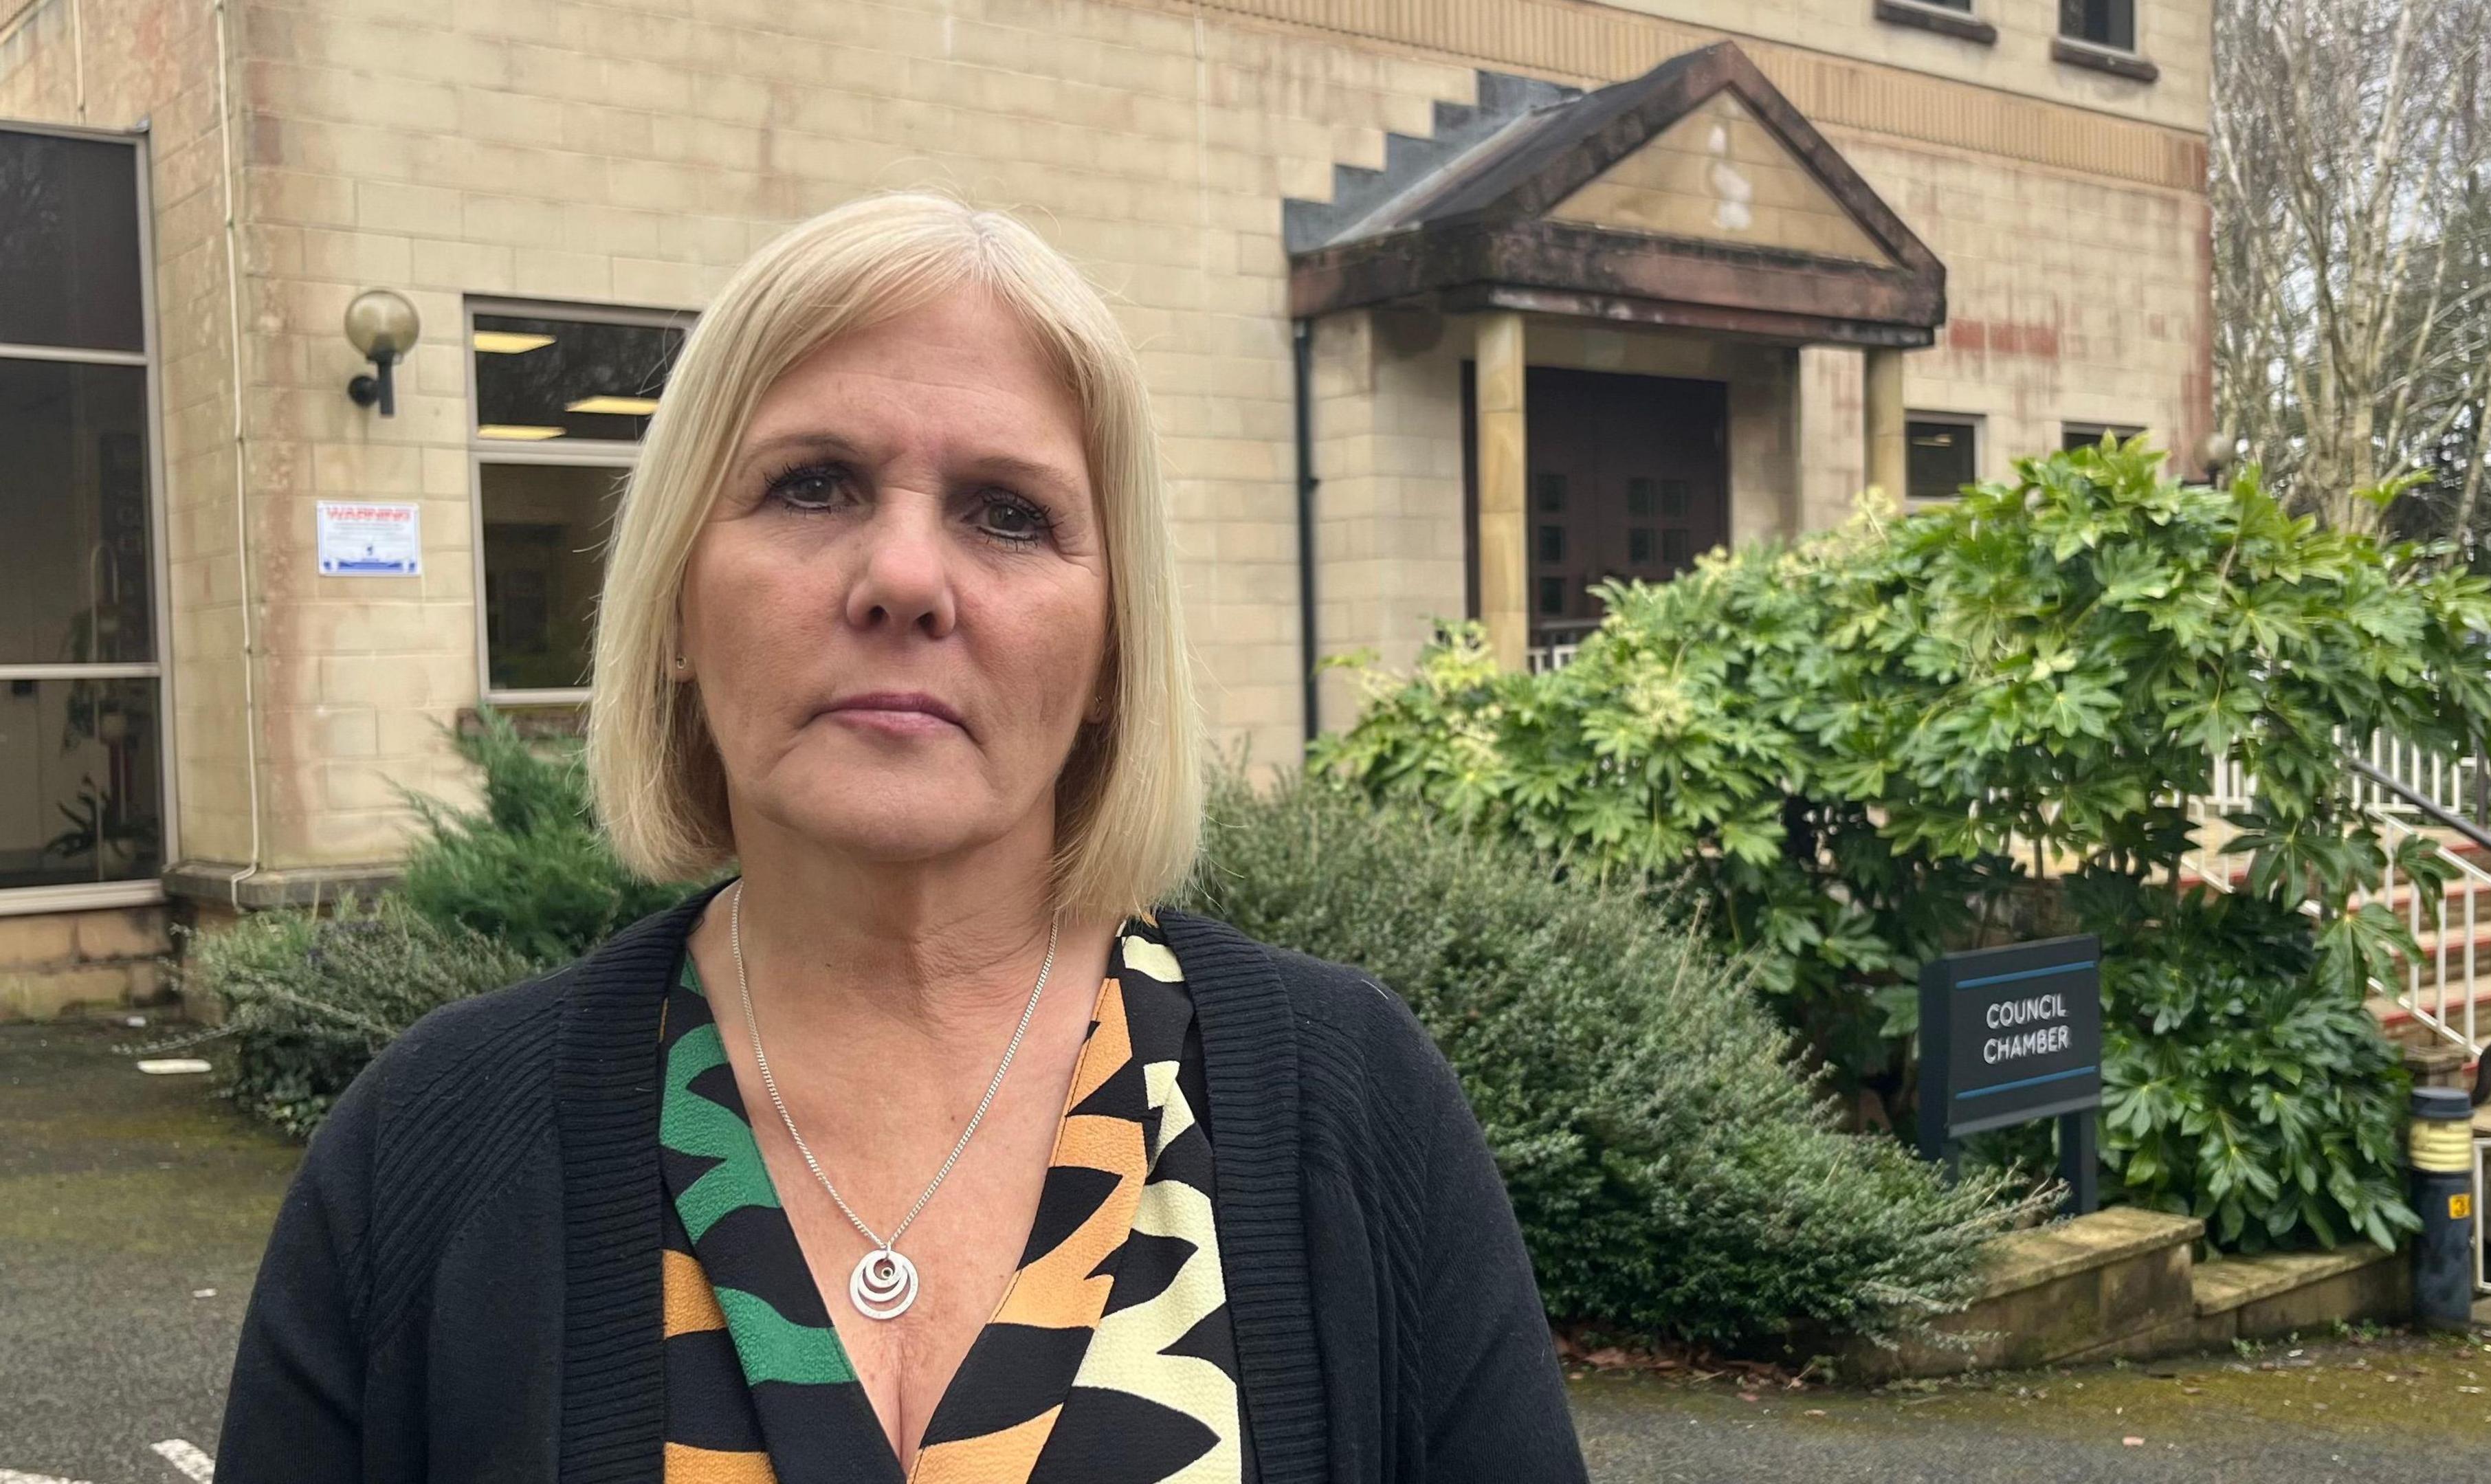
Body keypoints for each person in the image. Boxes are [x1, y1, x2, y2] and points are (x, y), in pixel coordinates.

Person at [215, 192, 1585, 1484]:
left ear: (1113, 648)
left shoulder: (1355, 1114)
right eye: (813, 485)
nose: (907, 580)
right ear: (681, 605)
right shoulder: (430, 1149)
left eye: (1009, 514)